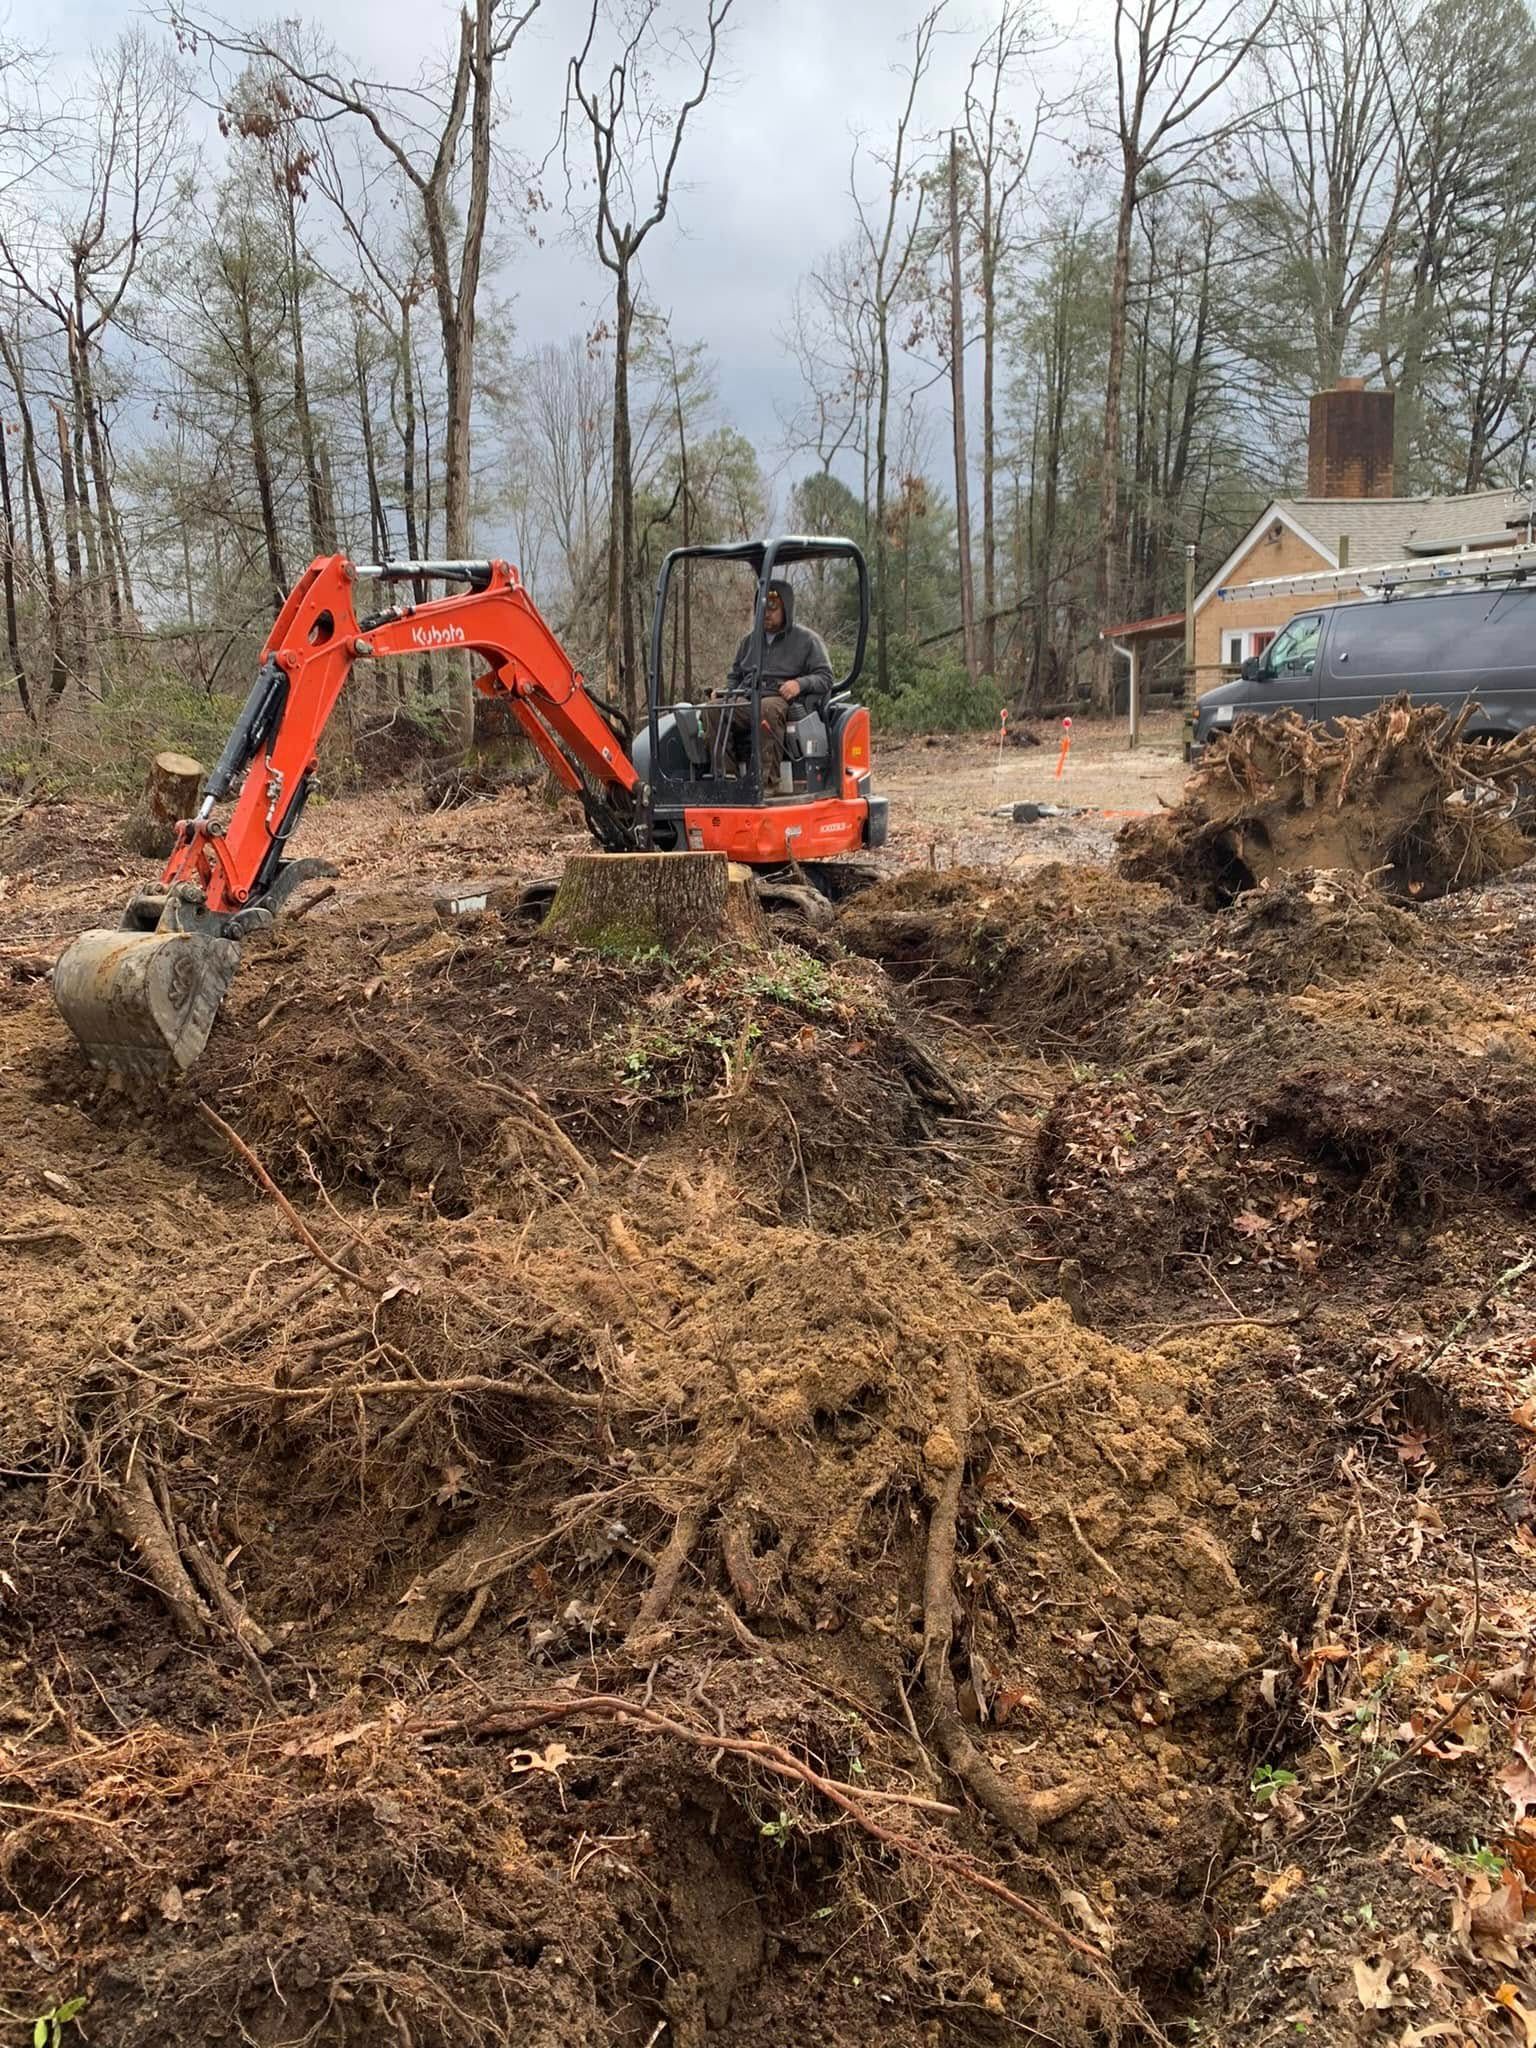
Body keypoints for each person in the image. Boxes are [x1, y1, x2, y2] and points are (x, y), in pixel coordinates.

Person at [713, 579, 834, 784]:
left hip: (781, 700)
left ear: (786, 608)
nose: (766, 613)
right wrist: (727, 692)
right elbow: (735, 675)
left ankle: (765, 782)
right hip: (748, 697)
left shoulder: (806, 640)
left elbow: (825, 677)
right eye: (761, 608)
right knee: (714, 708)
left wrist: (799, 684)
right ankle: (726, 778)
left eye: (772, 608)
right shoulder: (749, 642)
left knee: (767, 709)